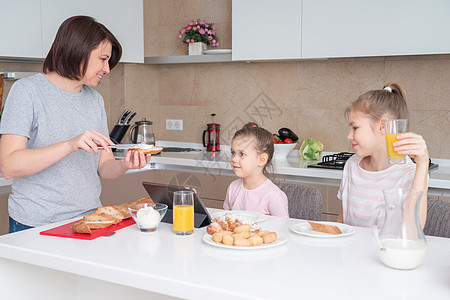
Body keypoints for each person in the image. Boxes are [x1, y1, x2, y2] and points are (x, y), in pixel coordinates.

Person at [0, 16, 151, 233]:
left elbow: (103, 166)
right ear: (78, 50)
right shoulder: (27, 91)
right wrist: (70, 145)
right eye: (103, 59)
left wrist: (125, 164)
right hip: (36, 222)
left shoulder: (94, 99)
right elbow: (9, 165)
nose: (107, 69)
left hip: (89, 219)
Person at [337, 83, 429, 228]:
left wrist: (423, 164)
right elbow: (344, 217)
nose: (349, 136)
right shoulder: (352, 165)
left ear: (382, 126)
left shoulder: (410, 174)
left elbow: (414, 229)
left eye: (355, 128)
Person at [223, 123, 289, 217]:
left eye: (242, 154)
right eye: (233, 152)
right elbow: (225, 219)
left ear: (261, 160)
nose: (234, 159)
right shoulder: (232, 188)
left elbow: (282, 228)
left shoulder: (274, 196)